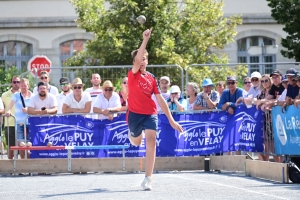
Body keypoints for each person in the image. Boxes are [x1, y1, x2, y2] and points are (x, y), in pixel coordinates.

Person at [127, 29, 183, 190]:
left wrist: (171, 120)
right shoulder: (133, 74)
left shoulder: (152, 78)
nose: (142, 61)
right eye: (140, 59)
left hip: (150, 114)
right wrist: (145, 39)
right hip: (134, 114)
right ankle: (132, 134)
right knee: (137, 142)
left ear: (148, 61)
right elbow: (137, 60)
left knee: (151, 142)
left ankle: (148, 178)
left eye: (145, 59)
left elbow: (160, 99)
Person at [6, 78, 33, 159]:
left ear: (28, 86)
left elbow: (35, 107)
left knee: (30, 145)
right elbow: (10, 106)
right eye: (22, 85)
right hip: (19, 123)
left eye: (25, 85)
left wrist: (28, 110)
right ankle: (23, 165)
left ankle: (30, 165)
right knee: (21, 144)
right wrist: (9, 111)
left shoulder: (33, 96)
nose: (23, 87)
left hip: (30, 123)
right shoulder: (16, 95)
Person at [2, 76, 20, 159]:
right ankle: (10, 168)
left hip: (22, 123)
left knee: (22, 146)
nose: (16, 84)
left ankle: (22, 167)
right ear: (11, 83)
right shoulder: (4, 95)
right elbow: (2, 109)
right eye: (14, 82)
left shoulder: (24, 94)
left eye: (18, 82)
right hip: (9, 124)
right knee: (10, 145)